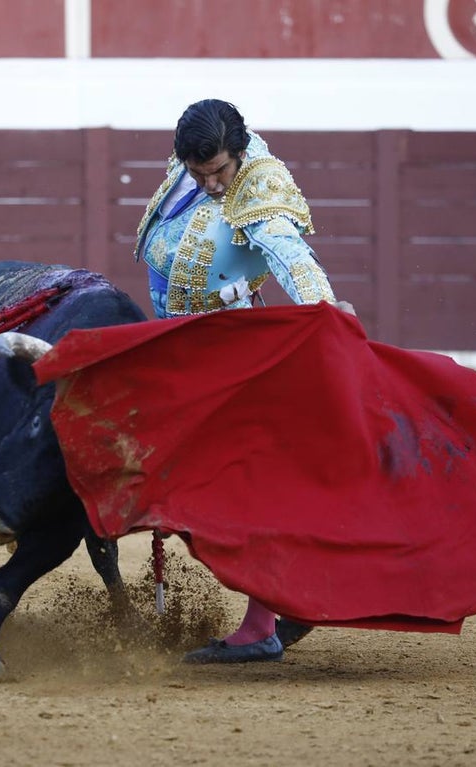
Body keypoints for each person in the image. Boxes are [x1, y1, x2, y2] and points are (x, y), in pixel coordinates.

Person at [134, 98, 345, 664]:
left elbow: (291, 257)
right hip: (182, 353)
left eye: (219, 171)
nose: (210, 184)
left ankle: (263, 622)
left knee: (235, 488)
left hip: (231, 360)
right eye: (198, 172)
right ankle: (285, 600)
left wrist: (326, 314)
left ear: (240, 153)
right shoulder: (191, 165)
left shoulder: (259, 185)